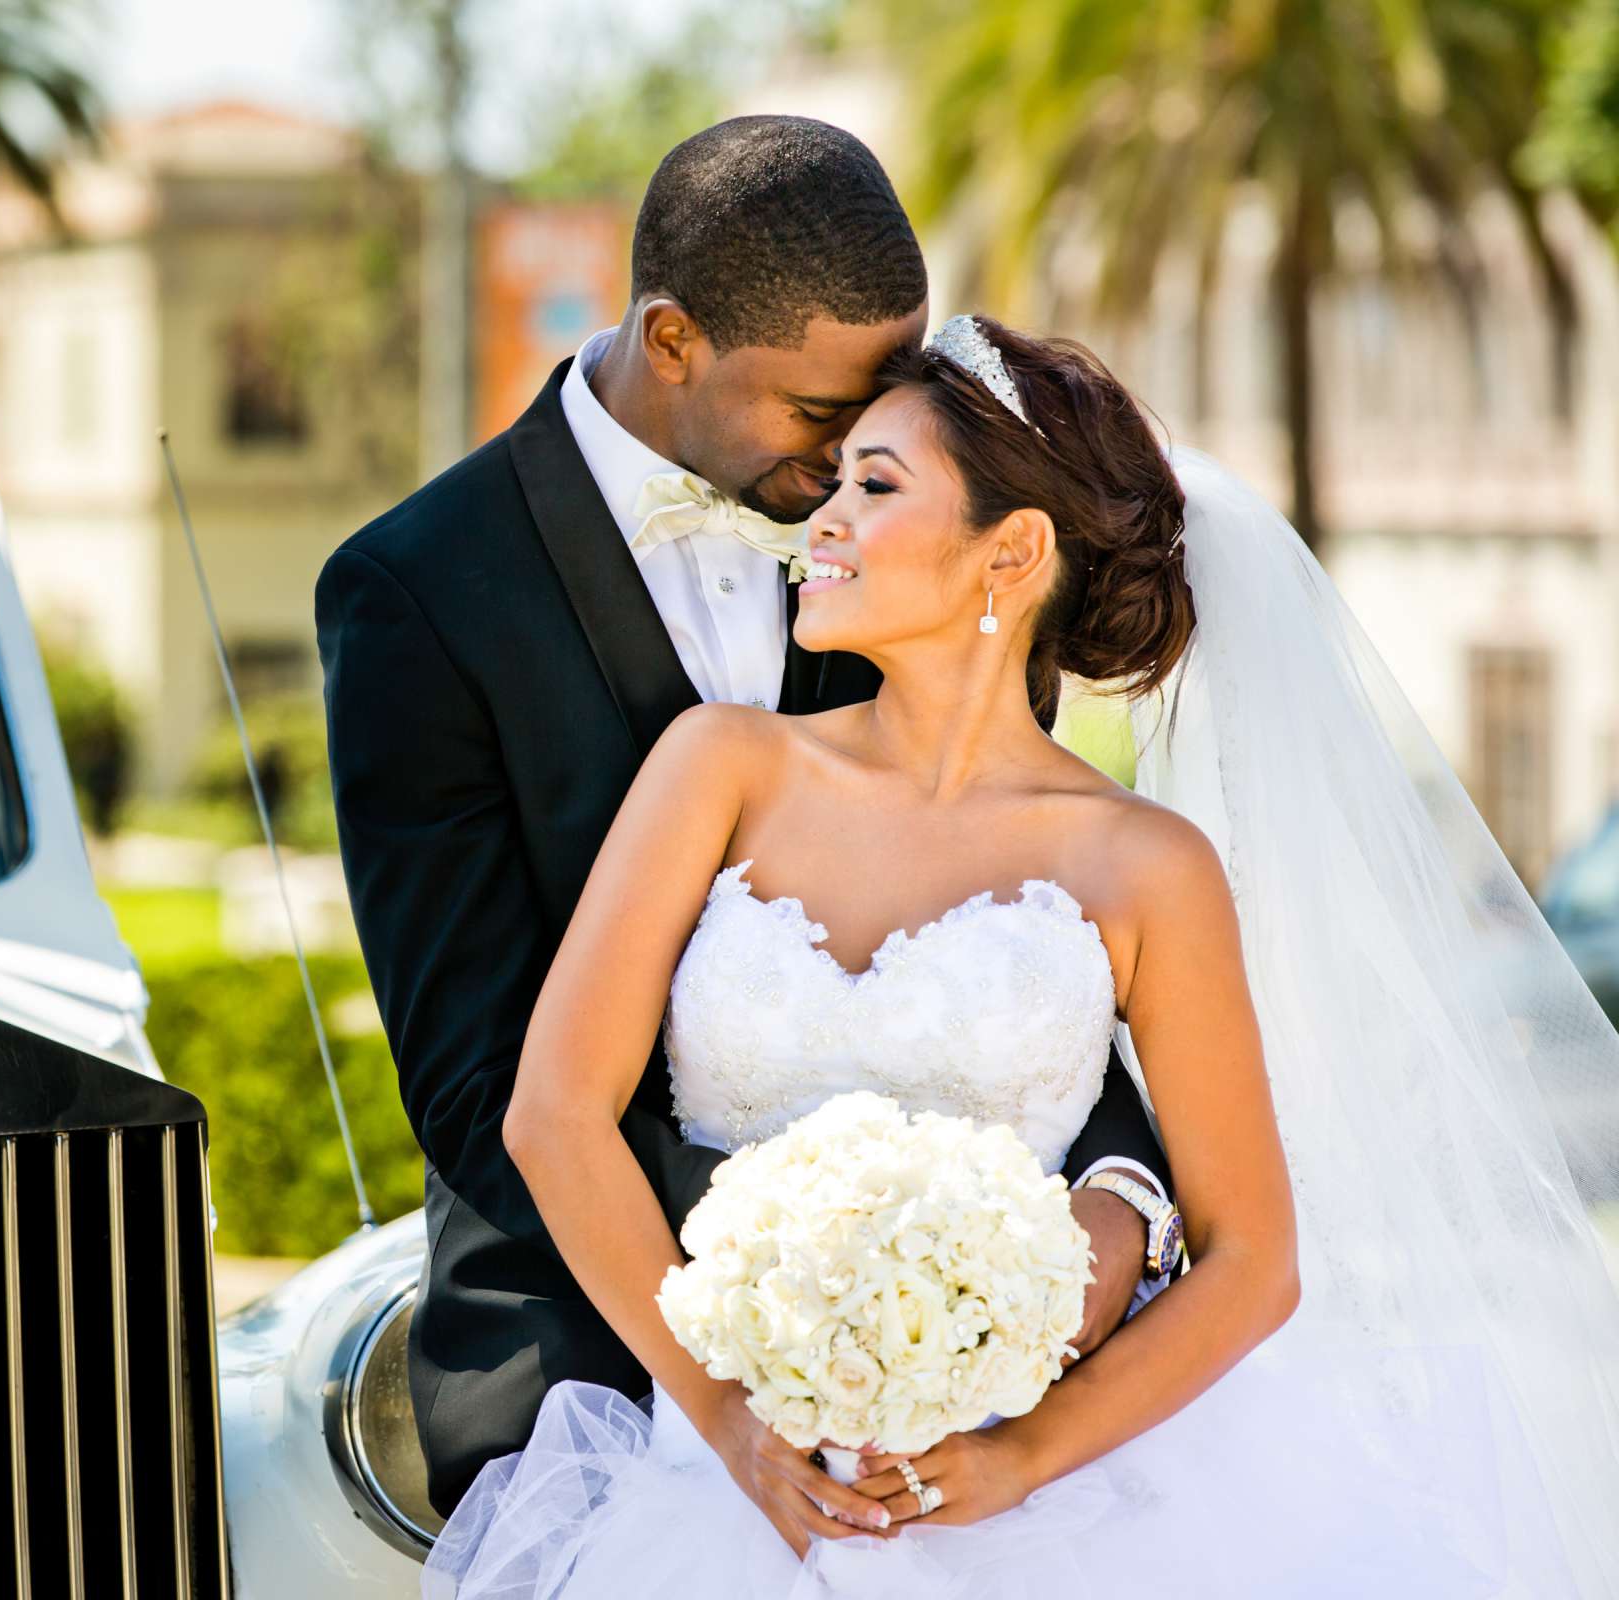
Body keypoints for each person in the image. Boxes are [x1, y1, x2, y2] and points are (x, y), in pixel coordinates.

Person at [419, 315, 1619, 1596]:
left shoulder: (1142, 864)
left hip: (1065, 1519)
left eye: (873, 485)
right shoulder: (721, 766)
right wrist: (729, 1422)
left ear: (1014, 553)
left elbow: (1253, 1258)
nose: (818, 522)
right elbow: (554, 1113)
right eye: (831, 483)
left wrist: (1027, 1457)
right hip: (720, 1501)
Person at [315, 116, 1178, 1525]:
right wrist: (840, 1275)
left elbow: (1042, 945)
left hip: (977, 1365)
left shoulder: (924, 543)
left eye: (888, 411)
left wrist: (1106, 1201)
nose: (859, 465)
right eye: (823, 423)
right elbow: (480, 1095)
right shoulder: (414, 594)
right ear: (672, 342)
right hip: (585, 1366)